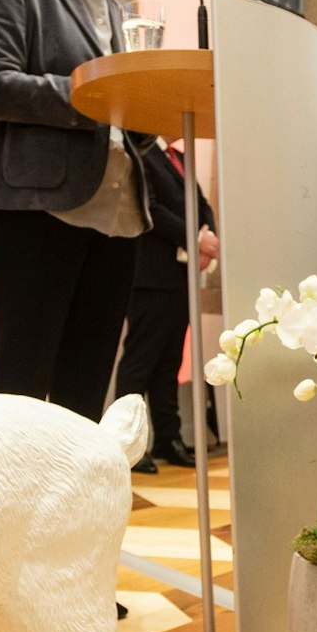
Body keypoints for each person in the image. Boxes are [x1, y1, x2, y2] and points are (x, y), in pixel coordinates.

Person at [0, 0, 150, 421]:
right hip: (37, 210)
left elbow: (124, 119)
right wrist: (97, 99)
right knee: (21, 395)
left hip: (117, 219)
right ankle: (1, 513)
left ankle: (72, 515)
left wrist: (155, 113)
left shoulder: (118, 11)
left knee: (82, 403)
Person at [117, 138, 218, 474]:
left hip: (180, 276)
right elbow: (152, 209)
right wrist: (196, 238)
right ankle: (128, 444)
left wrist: (208, 239)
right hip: (150, 273)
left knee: (170, 361)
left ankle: (168, 438)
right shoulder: (141, 153)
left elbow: (203, 205)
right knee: (140, 362)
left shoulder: (180, 157)